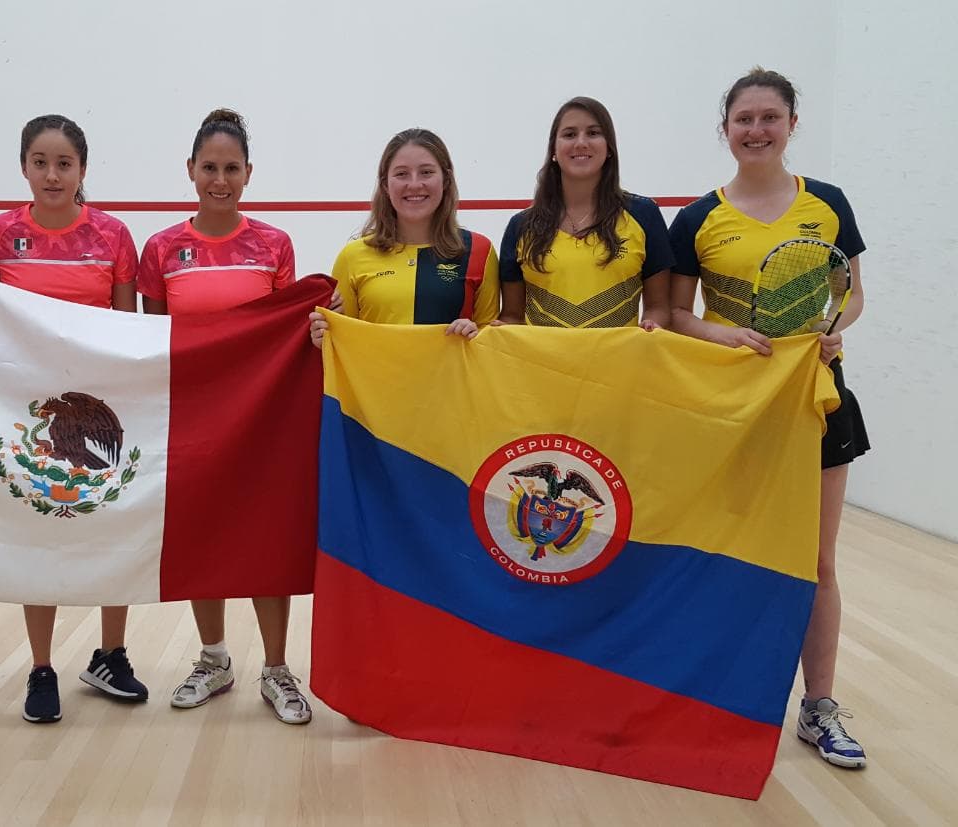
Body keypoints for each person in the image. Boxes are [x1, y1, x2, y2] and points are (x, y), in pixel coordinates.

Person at [668, 68, 869, 769]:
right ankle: (721, 699)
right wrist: (718, 335)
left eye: (769, 117)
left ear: (790, 125)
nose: (756, 129)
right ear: (724, 129)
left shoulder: (829, 204)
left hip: (816, 398)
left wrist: (834, 328)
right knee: (724, 558)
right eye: (743, 119)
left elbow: (851, 294)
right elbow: (671, 317)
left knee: (817, 562)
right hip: (730, 410)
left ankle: (818, 709)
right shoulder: (697, 220)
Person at [0, 114, 147, 723]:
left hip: (102, 414)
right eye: (40, 162)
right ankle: (41, 669)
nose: (52, 174)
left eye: (64, 163)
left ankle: (111, 655)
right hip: (27, 416)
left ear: (83, 169)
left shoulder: (115, 236)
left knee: (113, 528)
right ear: (23, 167)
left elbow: (127, 331)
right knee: (37, 532)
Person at [138, 108, 312, 725]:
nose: (220, 178)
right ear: (190, 170)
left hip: (261, 420)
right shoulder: (161, 249)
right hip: (189, 421)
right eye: (209, 167)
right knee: (200, 538)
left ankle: (276, 667)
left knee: (267, 538)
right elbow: (152, 340)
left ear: (248, 174)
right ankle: (214, 659)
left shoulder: (273, 245)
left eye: (231, 168)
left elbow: (287, 331)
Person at [308, 127, 499, 347]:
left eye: (426, 172)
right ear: (385, 185)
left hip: (452, 382)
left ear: (445, 180)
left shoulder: (479, 249)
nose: (415, 184)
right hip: (375, 382)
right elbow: (342, 342)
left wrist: (476, 334)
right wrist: (323, 337)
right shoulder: (352, 256)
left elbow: (492, 343)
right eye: (401, 174)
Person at [497, 97, 671, 329]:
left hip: (620, 364)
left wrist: (652, 326)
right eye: (569, 134)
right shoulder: (520, 226)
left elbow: (659, 307)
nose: (581, 143)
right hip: (541, 366)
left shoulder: (644, 215)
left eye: (593, 133)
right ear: (553, 151)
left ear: (609, 147)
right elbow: (511, 316)